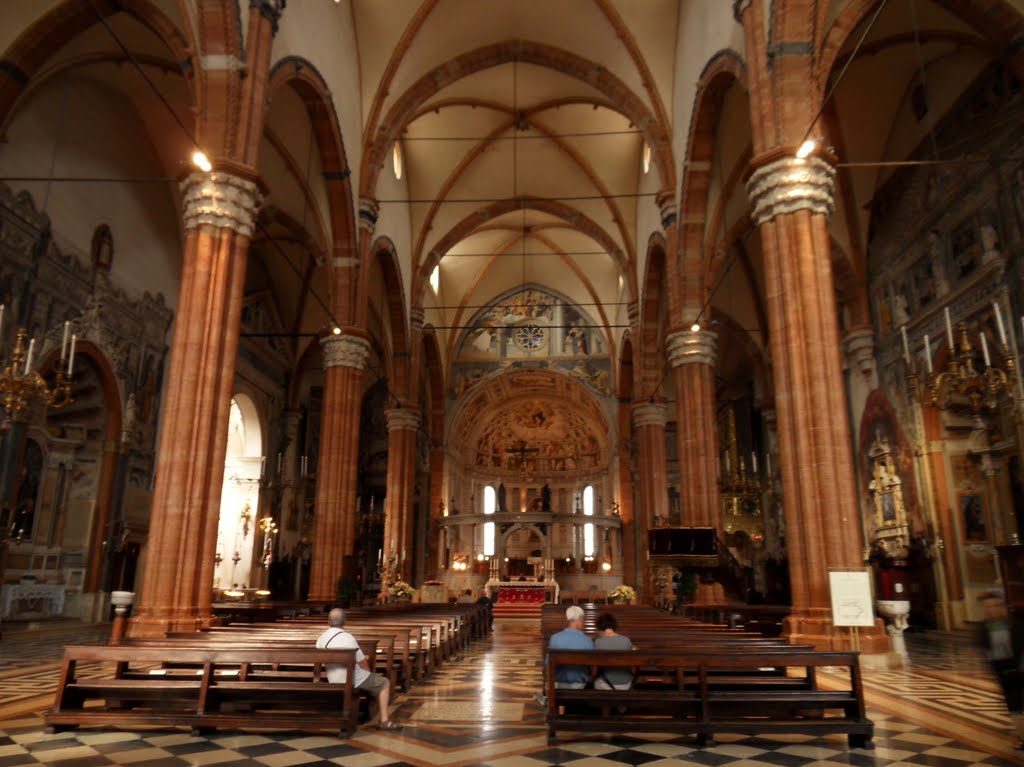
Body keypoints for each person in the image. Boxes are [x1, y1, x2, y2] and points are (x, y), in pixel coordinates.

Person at [316, 608, 401, 730]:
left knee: (373, 682)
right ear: (344, 621)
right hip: (352, 679)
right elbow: (362, 662)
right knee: (383, 683)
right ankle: (384, 720)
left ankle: (368, 711)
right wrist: (369, 674)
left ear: (328, 621)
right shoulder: (347, 638)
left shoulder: (321, 638)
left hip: (333, 678)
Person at [978, 590, 1024, 749]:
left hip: (1019, 667)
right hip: (1004, 672)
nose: (992, 610)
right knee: (1015, 707)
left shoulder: (1015, 624)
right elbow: (983, 649)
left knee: (1017, 706)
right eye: (988, 607)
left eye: (996, 605)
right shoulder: (984, 628)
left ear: (1004, 606)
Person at [536, 605, 594, 708]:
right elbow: (592, 667)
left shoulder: (555, 638)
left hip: (558, 684)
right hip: (579, 685)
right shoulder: (587, 640)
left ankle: (555, 705)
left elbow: (547, 666)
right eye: (583, 620)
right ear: (580, 619)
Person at [592, 612, 633, 690]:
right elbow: (632, 665)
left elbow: (595, 667)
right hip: (625, 684)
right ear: (614, 625)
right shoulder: (626, 640)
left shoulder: (598, 642)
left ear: (599, 626)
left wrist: (593, 677)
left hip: (605, 684)